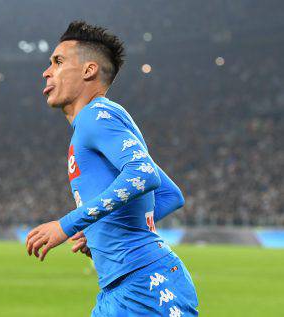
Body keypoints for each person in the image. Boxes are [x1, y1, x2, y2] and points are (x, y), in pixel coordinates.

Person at [26, 21, 198, 316]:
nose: (47, 71)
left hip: (146, 286)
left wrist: (68, 225)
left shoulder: (95, 116)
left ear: (88, 70)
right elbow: (171, 195)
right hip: (120, 289)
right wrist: (100, 228)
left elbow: (143, 174)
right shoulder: (102, 119)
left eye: (58, 61)